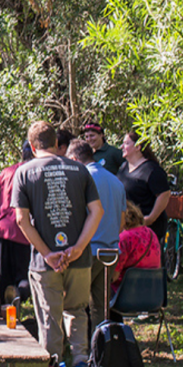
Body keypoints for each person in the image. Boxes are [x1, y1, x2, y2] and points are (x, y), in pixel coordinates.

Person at [12, 120, 103, 367]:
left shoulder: (25, 172)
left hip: (45, 261)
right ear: (56, 143)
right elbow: (97, 211)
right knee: (77, 310)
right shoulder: (79, 169)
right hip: (79, 257)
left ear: (32, 146)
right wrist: (78, 247)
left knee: (50, 316)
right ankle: (81, 362)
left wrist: (47, 254)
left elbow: (22, 219)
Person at [67, 138, 127, 332]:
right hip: (110, 251)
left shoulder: (82, 179)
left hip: (88, 250)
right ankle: (100, 348)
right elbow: (123, 220)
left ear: (75, 159)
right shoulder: (116, 181)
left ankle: (78, 350)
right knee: (100, 307)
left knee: (76, 303)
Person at [0, 142, 33, 302]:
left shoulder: (8, 171)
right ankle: (19, 298)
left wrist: (5, 212)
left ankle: (2, 312)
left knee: (4, 276)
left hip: (3, 228)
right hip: (24, 230)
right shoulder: (33, 172)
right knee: (24, 275)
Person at [117, 130, 171, 250]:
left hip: (148, 229)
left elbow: (164, 194)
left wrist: (151, 218)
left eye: (126, 143)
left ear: (138, 147)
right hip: (128, 227)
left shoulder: (151, 170)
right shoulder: (124, 167)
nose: (122, 147)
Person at [112, 202, 161, 293]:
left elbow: (114, 276)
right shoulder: (151, 234)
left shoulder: (125, 238)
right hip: (153, 293)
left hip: (128, 294)